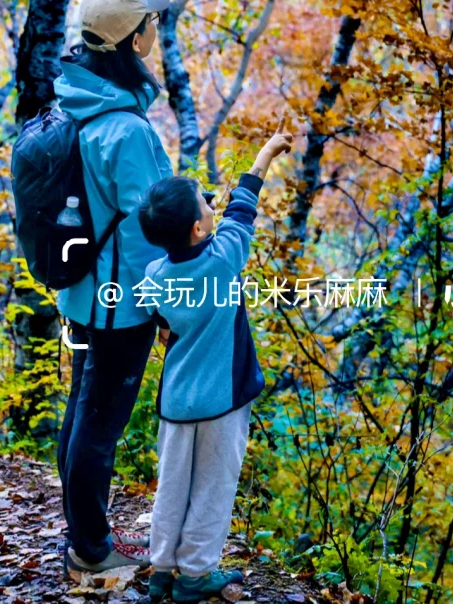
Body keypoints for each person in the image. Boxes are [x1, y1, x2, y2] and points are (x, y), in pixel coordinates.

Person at [135, 130, 292, 603]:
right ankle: (197, 575)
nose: (211, 205)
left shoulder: (154, 276)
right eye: (204, 206)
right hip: (222, 400)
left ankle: (162, 568)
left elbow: (157, 319)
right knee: (213, 488)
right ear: (199, 230)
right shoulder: (223, 261)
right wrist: (264, 154)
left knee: (172, 486)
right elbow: (243, 208)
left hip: (177, 401)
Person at [55, 0, 175, 579]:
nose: (157, 28)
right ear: (133, 39)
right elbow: (149, 226)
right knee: (99, 424)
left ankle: (82, 533)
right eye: (150, 23)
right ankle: (90, 552)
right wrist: (165, 305)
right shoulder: (127, 130)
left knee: (83, 410)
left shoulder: (76, 98)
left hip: (82, 294)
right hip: (118, 303)